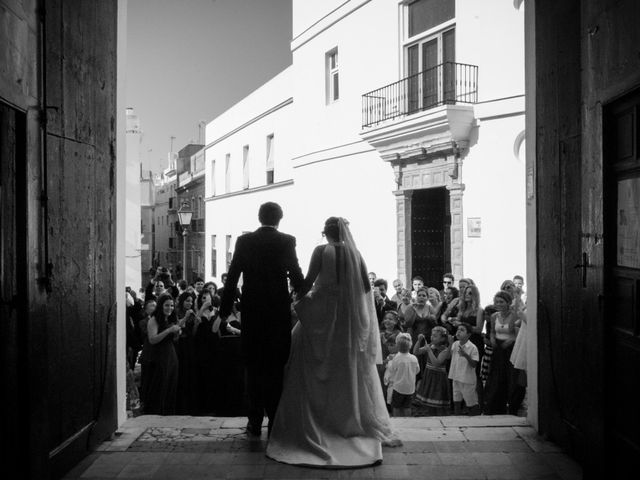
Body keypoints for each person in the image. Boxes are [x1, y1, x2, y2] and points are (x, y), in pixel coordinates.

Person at [266, 217, 400, 467]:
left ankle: (317, 421)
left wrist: (296, 295)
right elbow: (364, 288)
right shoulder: (355, 253)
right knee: (345, 365)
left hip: (322, 314)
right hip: (346, 319)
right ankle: (347, 419)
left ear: (325, 233)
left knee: (309, 365)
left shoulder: (321, 251)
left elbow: (307, 282)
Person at [219, 202, 305, 437]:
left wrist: (223, 311)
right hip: (277, 314)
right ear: (280, 219)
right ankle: (275, 420)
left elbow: (233, 275)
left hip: (253, 314)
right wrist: (308, 298)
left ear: (259, 218)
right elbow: (296, 275)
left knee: (254, 369)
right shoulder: (287, 241)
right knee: (276, 369)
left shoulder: (244, 241)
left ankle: (254, 422)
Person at [484, 290, 525, 415]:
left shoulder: (514, 316)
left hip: (509, 350)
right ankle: (495, 406)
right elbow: (492, 331)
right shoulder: (494, 316)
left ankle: (512, 405)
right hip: (498, 350)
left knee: (511, 377)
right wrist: (492, 339)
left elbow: (516, 333)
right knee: (496, 378)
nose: (498, 304)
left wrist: (510, 340)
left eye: (501, 301)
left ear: (508, 303)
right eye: (496, 301)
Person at [139, 293, 180, 415]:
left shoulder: (170, 318)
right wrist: (169, 330)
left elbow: (173, 339)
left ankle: (168, 414)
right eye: (166, 305)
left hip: (170, 355)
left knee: (170, 386)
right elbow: (152, 339)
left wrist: (177, 331)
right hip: (158, 357)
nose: (170, 308)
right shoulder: (154, 319)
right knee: (159, 386)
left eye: (172, 305)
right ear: (161, 306)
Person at [414, 326, 452, 415]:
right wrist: (419, 341)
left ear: (442, 338)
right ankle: (431, 416)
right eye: (431, 335)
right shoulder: (431, 345)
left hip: (438, 378)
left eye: (435, 336)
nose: (432, 337)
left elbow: (436, 363)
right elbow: (416, 352)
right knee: (429, 404)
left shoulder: (445, 350)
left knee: (438, 402)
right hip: (429, 375)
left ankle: (440, 418)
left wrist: (429, 351)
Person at [384, 333, 420, 417]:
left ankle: (398, 420)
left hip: (398, 387)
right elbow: (417, 370)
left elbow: (392, 370)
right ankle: (407, 420)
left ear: (397, 346)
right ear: (410, 345)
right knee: (407, 406)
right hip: (410, 388)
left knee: (396, 406)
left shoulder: (396, 358)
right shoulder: (414, 358)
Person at [448, 324, 481, 416]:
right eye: (458, 329)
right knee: (456, 399)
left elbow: (474, 364)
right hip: (456, 376)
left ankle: (476, 417)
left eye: (462, 330)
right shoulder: (455, 344)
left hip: (467, 379)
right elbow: (449, 356)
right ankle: (457, 418)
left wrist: (465, 355)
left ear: (468, 334)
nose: (458, 331)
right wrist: (450, 343)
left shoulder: (472, 347)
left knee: (471, 401)